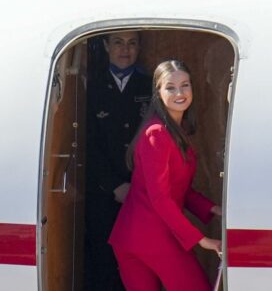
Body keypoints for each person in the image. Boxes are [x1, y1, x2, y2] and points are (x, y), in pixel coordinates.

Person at [108, 60, 222, 291]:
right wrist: (202, 240)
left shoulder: (176, 131)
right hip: (151, 236)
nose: (180, 93)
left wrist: (216, 209)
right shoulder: (157, 133)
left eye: (185, 85)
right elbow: (160, 198)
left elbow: (181, 190)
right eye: (170, 87)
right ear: (158, 93)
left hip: (137, 237)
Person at [85, 30, 152, 290]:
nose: (125, 50)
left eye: (132, 43)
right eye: (118, 43)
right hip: (103, 191)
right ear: (105, 46)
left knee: (137, 260)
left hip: (140, 191)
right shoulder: (92, 86)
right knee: (103, 259)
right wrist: (114, 185)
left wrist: (137, 185)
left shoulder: (151, 86)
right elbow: (88, 144)